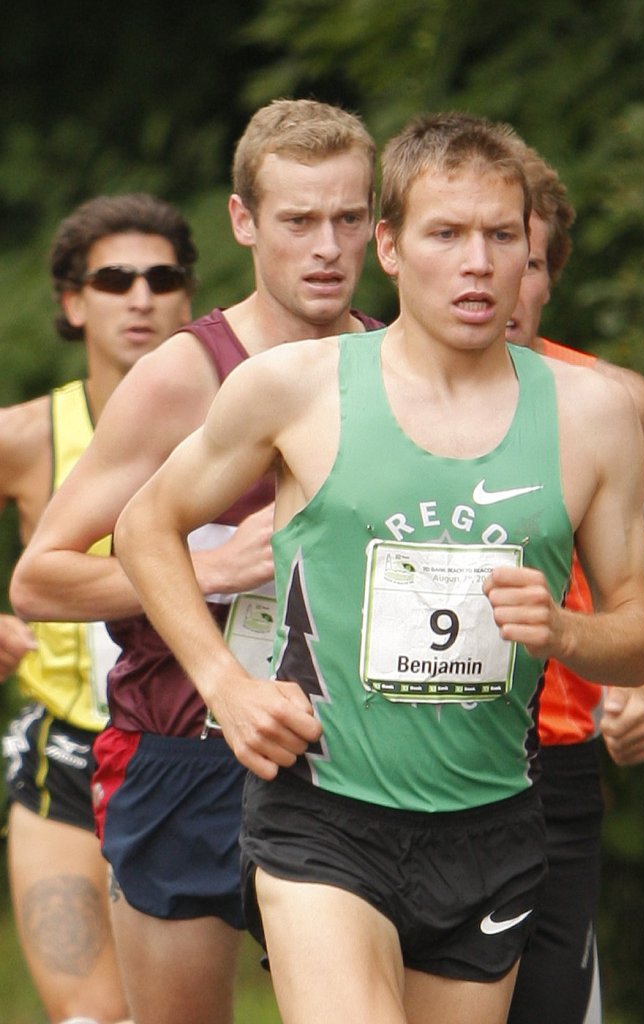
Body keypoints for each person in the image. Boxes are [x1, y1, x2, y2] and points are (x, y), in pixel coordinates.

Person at [106, 112, 644, 1024]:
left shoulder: (595, 415)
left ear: (533, 251)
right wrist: (223, 684)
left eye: (501, 236)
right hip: (321, 814)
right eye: (446, 234)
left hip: (491, 822)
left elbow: (639, 638)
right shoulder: (297, 385)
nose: (478, 263)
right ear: (390, 246)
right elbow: (144, 526)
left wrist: (562, 630)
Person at [11, 98, 380, 1024]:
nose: (326, 247)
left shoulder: (392, 365)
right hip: (185, 754)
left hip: (354, 757)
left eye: (348, 218)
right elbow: (41, 577)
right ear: (244, 222)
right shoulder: (184, 374)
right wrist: (209, 572)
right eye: (298, 220)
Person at [0, 192, 196, 1024]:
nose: (142, 297)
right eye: (115, 278)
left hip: (192, 751)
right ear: (75, 302)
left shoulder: (230, 417)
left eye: (163, 277)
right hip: (67, 758)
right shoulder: (29, 432)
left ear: (190, 295)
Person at [504, 145, 644, 1024]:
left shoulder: (616, 404)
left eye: (522, 258)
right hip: (391, 761)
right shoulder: (356, 382)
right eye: (468, 243)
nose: (496, 276)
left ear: (550, 275)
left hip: (554, 762)